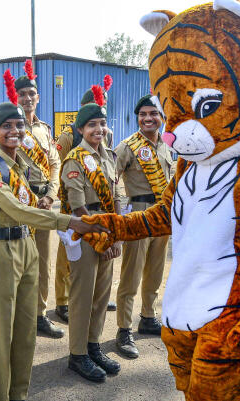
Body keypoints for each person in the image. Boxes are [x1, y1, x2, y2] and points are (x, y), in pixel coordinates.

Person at [0, 96, 109, 401]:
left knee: (26, 333)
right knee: (0, 337)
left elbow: (42, 191)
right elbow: (18, 210)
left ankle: (19, 395)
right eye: (6, 126)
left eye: (18, 125)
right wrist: (70, 222)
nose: (14, 131)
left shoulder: (21, 165)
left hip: (27, 246)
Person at [59, 86, 122, 382]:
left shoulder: (109, 155)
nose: (98, 129)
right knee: (82, 296)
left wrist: (117, 235)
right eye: (91, 125)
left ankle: (94, 346)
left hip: (107, 231)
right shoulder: (74, 159)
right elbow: (79, 208)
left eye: (102, 124)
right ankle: (78, 354)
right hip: (86, 235)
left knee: (101, 295)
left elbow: (117, 198)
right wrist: (102, 239)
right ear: (81, 129)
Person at [113, 94, 173, 359]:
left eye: (153, 114)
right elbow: (111, 179)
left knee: (155, 272)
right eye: (143, 115)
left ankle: (148, 317)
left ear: (161, 118)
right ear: (137, 118)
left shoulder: (166, 147)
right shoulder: (127, 146)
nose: (148, 118)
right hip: (138, 215)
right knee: (131, 275)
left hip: (162, 216)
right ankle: (123, 329)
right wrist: (118, 215)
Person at [54, 77, 115, 323]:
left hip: (98, 198)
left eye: (103, 103)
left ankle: (92, 294)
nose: (100, 105)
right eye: (93, 103)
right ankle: (62, 299)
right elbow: (59, 163)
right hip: (73, 196)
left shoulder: (106, 134)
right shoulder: (68, 135)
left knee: (90, 259)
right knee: (67, 252)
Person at [12, 61, 63, 338]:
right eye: (22, 95)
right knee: (18, 260)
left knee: (42, 261)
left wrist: (51, 195)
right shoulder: (11, 127)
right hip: (20, 203)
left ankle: (40, 314)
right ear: (15, 97)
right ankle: (20, 314)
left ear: (38, 97)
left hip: (43, 203)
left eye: (31, 94)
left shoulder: (44, 129)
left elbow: (54, 163)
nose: (27, 98)